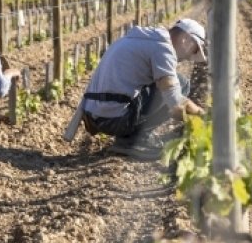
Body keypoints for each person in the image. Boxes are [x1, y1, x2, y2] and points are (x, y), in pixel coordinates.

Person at [81, 18, 207, 161]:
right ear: (185, 40)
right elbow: (175, 102)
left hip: (95, 114)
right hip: (115, 119)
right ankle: (133, 140)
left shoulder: (139, 39)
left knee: (172, 82)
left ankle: (128, 139)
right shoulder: (163, 48)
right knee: (181, 84)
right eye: (194, 50)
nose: (190, 57)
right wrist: (201, 116)